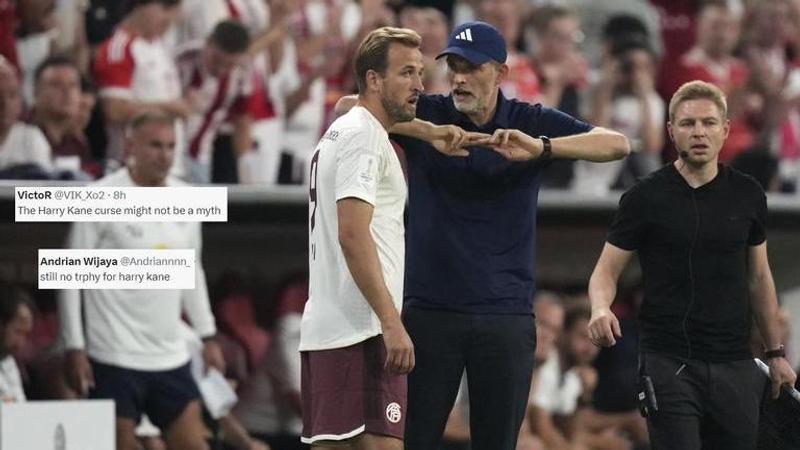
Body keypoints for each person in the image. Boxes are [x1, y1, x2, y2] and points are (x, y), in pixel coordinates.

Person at [390, 20, 629, 450]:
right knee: (412, 441)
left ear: (500, 74)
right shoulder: (430, 112)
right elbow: (351, 108)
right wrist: (428, 132)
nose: (459, 78)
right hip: (430, 313)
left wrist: (544, 148)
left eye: (472, 68)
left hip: (505, 317)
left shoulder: (527, 120)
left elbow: (616, 144)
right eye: (454, 67)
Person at [587, 80, 797, 450]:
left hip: (735, 361)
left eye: (708, 122)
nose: (699, 131)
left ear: (726, 129)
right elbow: (605, 271)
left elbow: (759, 277)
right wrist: (600, 307)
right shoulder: (644, 197)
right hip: (668, 360)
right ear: (671, 132)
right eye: (687, 123)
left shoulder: (748, 194)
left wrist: (776, 354)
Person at [300, 26, 482, 449]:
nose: (419, 85)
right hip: (362, 332)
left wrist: (432, 133)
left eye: (419, 73)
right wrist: (390, 322)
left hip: (328, 329)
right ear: (374, 79)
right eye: (406, 73)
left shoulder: (342, 131)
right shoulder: (365, 138)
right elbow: (351, 233)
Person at [58, 111, 224, 450]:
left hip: (169, 354)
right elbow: (69, 277)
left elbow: (193, 270)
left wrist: (207, 335)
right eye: (155, 145)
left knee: (194, 442)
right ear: (131, 145)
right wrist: (74, 345)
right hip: (113, 353)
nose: (164, 154)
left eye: (170, 146)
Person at [0, 284, 35, 402]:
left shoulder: (9, 362)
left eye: (26, 335)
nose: (21, 343)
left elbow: (20, 407)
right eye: (18, 332)